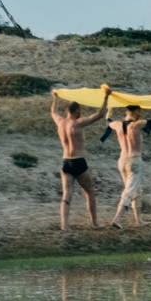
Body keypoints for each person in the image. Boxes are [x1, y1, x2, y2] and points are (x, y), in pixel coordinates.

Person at [49, 88, 109, 230]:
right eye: (79, 111)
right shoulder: (78, 123)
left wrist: (55, 98)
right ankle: (94, 223)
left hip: (66, 162)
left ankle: (64, 225)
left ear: (67, 111)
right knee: (90, 192)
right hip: (79, 161)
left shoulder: (60, 122)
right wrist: (106, 96)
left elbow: (53, 112)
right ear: (76, 111)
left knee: (67, 194)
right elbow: (101, 113)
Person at [110, 103, 150, 228]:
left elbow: (107, 120)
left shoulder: (118, 124)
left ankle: (139, 220)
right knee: (129, 190)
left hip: (122, 160)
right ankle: (117, 219)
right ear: (136, 111)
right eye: (139, 112)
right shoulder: (137, 124)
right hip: (134, 160)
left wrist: (110, 106)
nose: (140, 114)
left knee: (136, 190)